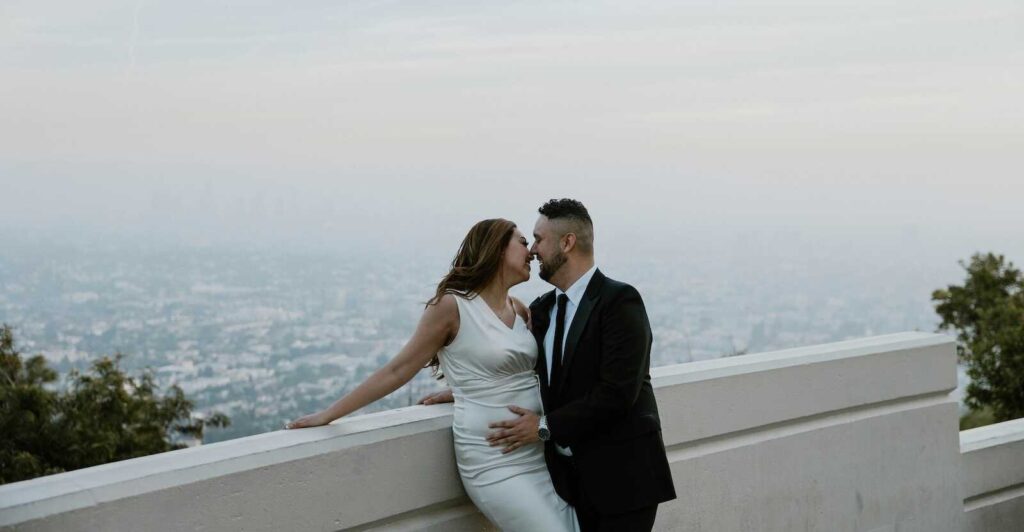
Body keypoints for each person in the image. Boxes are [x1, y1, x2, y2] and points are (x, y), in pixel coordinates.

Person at [287, 218, 579, 532]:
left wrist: (464, 388)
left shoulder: (520, 309)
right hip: (495, 460)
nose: (532, 252)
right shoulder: (452, 306)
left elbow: (522, 374)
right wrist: (329, 414)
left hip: (537, 452)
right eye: (523, 242)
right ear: (496, 248)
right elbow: (398, 370)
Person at [429, 199, 676, 531]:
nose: (532, 250)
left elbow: (618, 392)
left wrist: (545, 427)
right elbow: (528, 374)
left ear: (567, 242)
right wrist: (468, 390)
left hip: (624, 481)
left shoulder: (619, 301)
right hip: (568, 483)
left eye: (538, 239)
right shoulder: (542, 310)